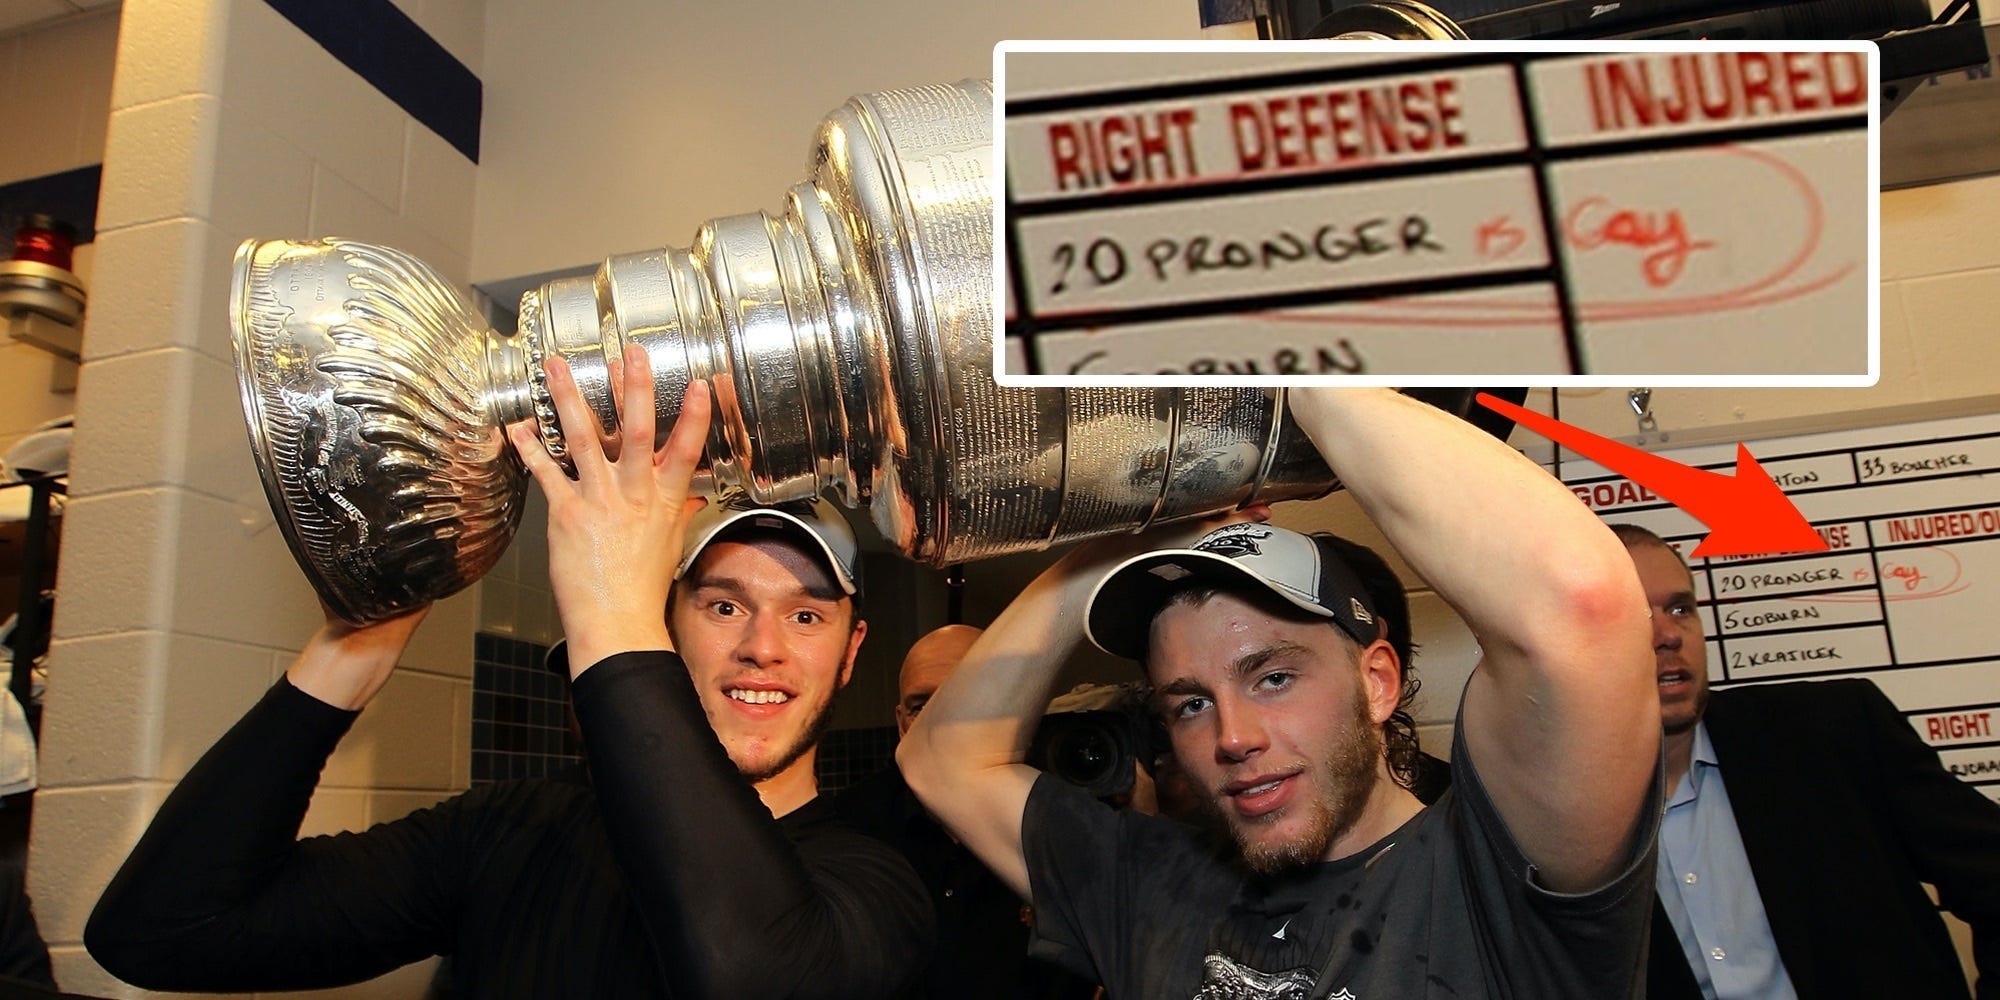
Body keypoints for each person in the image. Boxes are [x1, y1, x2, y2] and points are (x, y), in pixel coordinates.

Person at [85, 348, 931, 997]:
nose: (764, 647)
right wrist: (350, 651)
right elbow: (161, 932)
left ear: (852, 654)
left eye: (809, 615)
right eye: (721, 606)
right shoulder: (510, 831)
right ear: (667, 628)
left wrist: (608, 611)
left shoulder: (874, 878)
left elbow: (750, 972)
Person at [900, 388, 1665, 998]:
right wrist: (1109, 554)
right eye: (1191, 702)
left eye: (1272, 677)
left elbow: (1581, 605)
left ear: (1376, 682)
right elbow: (941, 758)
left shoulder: (1493, 880)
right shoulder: (1149, 885)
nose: (1233, 736)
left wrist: (1288, 375)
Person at [1611, 523, 2000, 1000]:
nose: (1668, 634)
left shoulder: (1837, 732)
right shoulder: (1543, 816)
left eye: (1679, 608)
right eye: (1633, 614)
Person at [838, 625, 1096, 1000]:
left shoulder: (1063, 827)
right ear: (900, 722)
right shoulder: (852, 828)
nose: (937, 723)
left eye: (962, 698)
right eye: (920, 706)